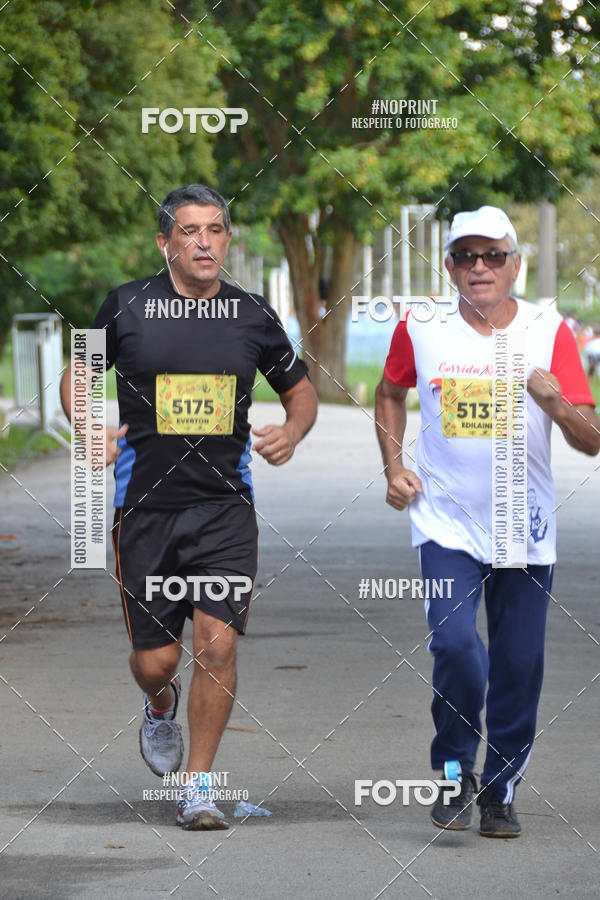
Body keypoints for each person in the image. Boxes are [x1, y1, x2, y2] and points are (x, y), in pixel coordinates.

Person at [60, 184, 318, 830]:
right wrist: (88, 423)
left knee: (218, 645)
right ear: (165, 243)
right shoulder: (127, 307)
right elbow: (79, 373)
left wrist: (293, 430)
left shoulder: (252, 315)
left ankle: (198, 786)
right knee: (157, 660)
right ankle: (158, 703)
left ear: (227, 240)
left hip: (224, 508)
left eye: (215, 230)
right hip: (144, 508)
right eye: (190, 231)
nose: (204, 241)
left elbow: (301, 391)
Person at [375, 205, 600, 838]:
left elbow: (591, 442)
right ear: (448, 266)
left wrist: (555, 401)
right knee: (455, 647)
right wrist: (394, 467)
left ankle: (499, 789)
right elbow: (390, 393)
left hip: (523, 528)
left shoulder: (548, 328)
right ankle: (453, 771)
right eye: (466, 256)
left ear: (515, 264)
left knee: (519, 663)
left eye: (493, 255)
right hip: (444, 522)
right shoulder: (421, 327)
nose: (480, 267)